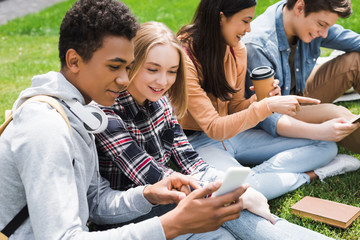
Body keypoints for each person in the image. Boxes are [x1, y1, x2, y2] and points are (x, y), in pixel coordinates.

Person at [0, 1, 259, 239]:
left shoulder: (81, 110)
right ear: (74, 61)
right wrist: (170, 225)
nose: (125, 80)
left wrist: (148, 194)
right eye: (115, 67)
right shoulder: (47, 128)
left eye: (128, 67)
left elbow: (96, 201)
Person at [95, 20, 332, 240]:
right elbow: (150, 174)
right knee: (229, 213)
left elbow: (189, 159)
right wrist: (221, 193)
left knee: (233, 211)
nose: (163, 81)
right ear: (132, 64)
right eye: (153, 69)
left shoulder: (161, 101)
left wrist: (229, 188)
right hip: (133, 211)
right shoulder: (108, 112)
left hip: (173, 195)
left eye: (171, 71)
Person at [174, 0, 355, 201]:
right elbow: (213, 128)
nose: (248, 29)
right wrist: (266, 106)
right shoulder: (184, 57)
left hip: (235, 134)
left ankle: (256, 178)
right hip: (198, 141)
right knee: (234, 193)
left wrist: (259, 101)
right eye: (245, 21)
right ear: (220, 17)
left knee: (326, 146)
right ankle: (306, 176)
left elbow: (234, 108)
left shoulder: (236, 49)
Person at [242, 0, 360, 156]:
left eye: (328, 27)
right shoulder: (258, 45)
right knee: (335, 114)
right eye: (321, 25)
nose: (325, 34)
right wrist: (318, 131)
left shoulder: (302, 18)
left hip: (299, 93)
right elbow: (267, 116)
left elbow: (354, 41)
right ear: (299, 7)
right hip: (276, 115)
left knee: (355, 62)